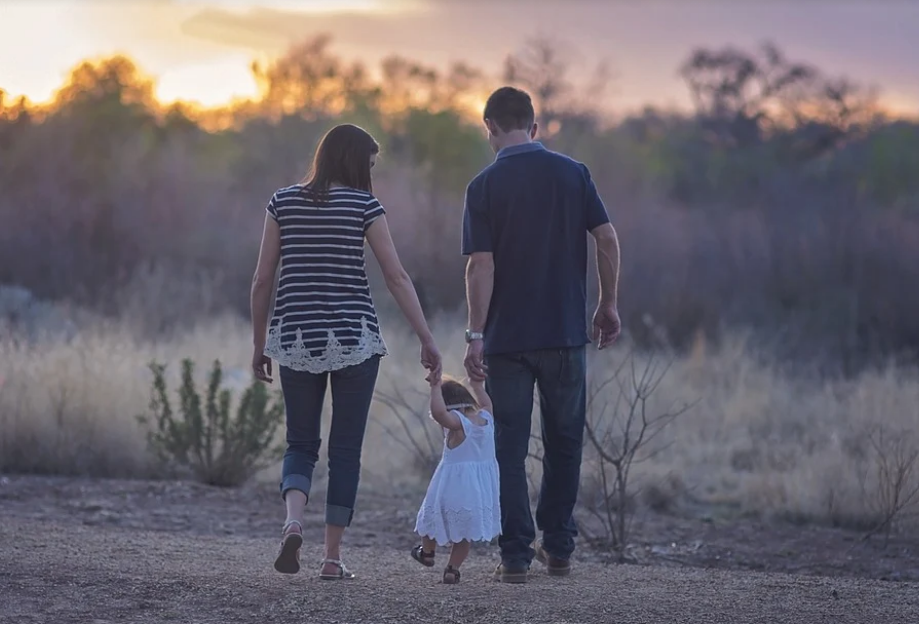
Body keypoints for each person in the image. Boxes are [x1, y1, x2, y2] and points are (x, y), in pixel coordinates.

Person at [250, 123, 442, 580]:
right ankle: (332, 559)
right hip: (355, 339)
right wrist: (426, 338)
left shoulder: (282, 202)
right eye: (370, 164)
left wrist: (260, 344)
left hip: (295, 338)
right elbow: (396, 278)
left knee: (300, 443)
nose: (371, 173)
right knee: (345, 451)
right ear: (355, 162)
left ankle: (293, 521)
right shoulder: (364, 205)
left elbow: (261, 280)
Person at [461, 87, 622, 583]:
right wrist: (608, 303)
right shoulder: (573, 174)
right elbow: (607, 238)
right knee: (565, 441)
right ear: (534, 126)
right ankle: (559, 548)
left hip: (507, 341)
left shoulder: (483, 186)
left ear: (488, 127)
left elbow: (479, 266)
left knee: (508, 446)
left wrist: (474, 333)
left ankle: (514, 556)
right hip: (565, 335)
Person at [411, 374, 501, 584]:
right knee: (464, 533)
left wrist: (435, 388)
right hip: (478, 491)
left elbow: (439, 413)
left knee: (430, 519)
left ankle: (427, 552)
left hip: (451, 487)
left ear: (452, 407)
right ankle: (452, 569)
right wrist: (477, 385)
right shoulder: (487, 418)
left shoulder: (458, 424)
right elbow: (486, 402)